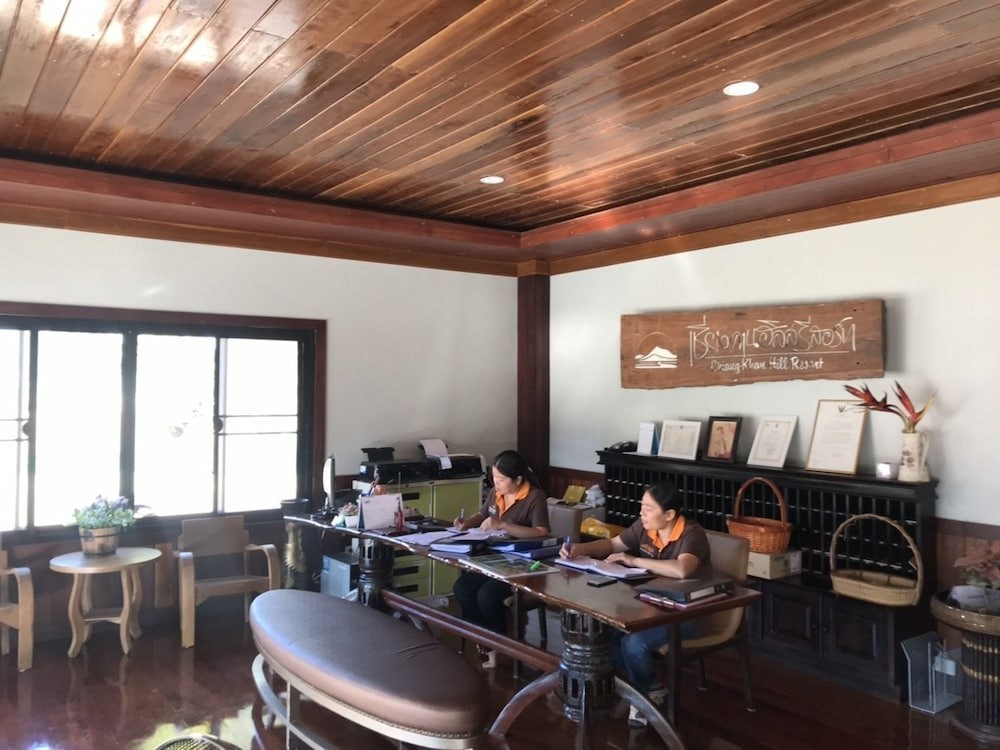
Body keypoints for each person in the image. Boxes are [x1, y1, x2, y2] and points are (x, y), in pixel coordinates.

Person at [560, 480, 709, 728]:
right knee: (603, 633)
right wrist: (579, 549)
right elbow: (613, 544)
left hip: (687, 613)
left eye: (648, 509)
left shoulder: (691, 533)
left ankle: (640, 700)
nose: (642, 513)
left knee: (634, 643)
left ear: (669, 514)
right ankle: (651, 686)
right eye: (642, 507)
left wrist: (633, 561)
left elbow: (682, 569)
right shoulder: (645, 527)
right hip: (651, 604)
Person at [452, 449, 550, 668]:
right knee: (462, 588)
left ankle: (501, 645)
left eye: (501, 479)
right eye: (494, 478)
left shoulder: (535, 497)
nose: (496, 483)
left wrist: (504, 525)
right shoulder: (496, 493)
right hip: (495, 558)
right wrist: (466, 523)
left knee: (487, 596)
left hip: (522, 564)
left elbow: (541, 531)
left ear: (518, 479)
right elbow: (483, 514)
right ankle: (486, 641)